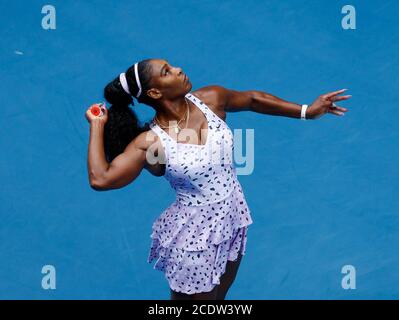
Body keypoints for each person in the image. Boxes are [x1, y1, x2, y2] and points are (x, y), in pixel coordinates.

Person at [85, 58, 350, 300]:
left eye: (171, 65)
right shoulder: (150, 143)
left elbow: (253, 99)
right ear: (155, 92)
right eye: (167, 72)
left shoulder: (210, 99)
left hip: (232, 216)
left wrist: (307, 110)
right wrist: (97, 125)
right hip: (194, 237)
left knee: (219, 297)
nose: (178, 69)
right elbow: (101, 179)